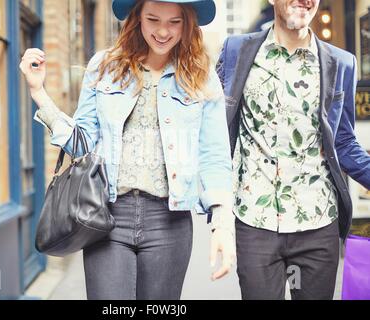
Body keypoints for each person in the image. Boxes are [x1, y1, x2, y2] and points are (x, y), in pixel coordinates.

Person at [20, 0, 235, 300]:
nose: (163, 31)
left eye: (174, 22)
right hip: (107, 216)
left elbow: (214, 155)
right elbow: (83, 144)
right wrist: (38, 92)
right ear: (137, 18)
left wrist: (222, 225)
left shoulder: (200, 76)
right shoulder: (104, 66)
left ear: (187, 24)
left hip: (169, 223)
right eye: (153, 19)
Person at [216, 0, 370, 300]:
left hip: (318, 223)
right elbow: (214, 129)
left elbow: (344, 143)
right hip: (254, 221)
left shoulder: (342, 63)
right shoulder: (236, 50)